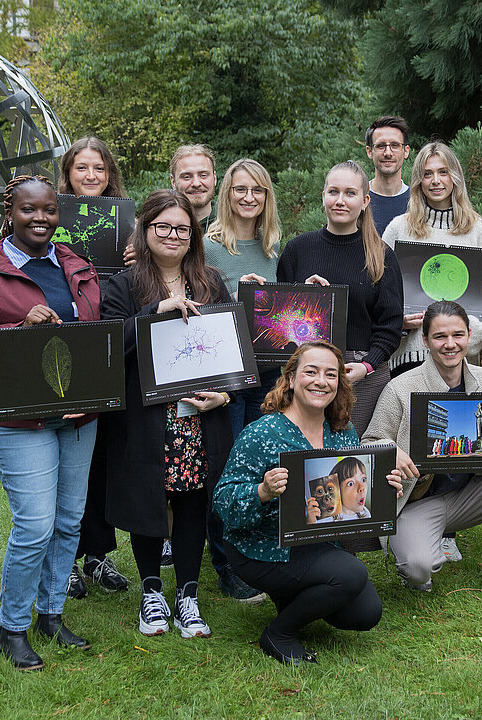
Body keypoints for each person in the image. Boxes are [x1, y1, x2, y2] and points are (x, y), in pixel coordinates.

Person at [0, 175, 100, 671]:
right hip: (20, 421)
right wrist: (17, 330)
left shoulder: (77, 266)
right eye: (29, 210)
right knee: (35, 526)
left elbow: (94, 335)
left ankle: (51, 613)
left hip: (78, 415)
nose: (40, 219)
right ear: (9, 211)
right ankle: (12, 628)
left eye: (49, 211)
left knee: (67, 521)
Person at [213, 341, 404, 665]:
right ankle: (279, 633)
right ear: (290, 379)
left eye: (331, 374)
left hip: (313, 541)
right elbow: (222, 503)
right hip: (261, 545)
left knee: (366, 613)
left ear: (339, 384)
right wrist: (262, 491)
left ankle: (290, 598)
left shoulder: (343, 432)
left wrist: (383, 489)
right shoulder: (262, 433)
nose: (321, 381)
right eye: (311, 372)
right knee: (351, 573)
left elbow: (350, 497)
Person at [100, 189, 234, 638]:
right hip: (146, 417)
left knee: (193, 499)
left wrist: (224, 397)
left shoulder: (211, 281)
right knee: (148, 498)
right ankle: (153, 592)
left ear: (193, 234)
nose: (173, 235)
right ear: (146, 229)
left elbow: (232, 352)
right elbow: (109, 344)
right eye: (163, 227)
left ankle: (189, 595)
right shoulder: (123, 285)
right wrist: (153, 312)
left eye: (182, 228)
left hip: (199, 416)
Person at [363, 301, 482, 605]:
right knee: (418, 569)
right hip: (416, 503)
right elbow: (371, 439)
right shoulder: (400, 387)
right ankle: (420, 547)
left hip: (469, 494)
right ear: (425, 340)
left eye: (458, 335)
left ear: (469, 336)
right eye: (439, 337)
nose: (450, 344)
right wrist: (390, 449)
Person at [202, 158, 285, 603]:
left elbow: (285, 319)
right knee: (226, 469)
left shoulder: (275, 247)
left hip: (268, 377)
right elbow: (199, 313)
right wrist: (239, 297)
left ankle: (257, 557)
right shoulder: (210, 247)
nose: (248, 197)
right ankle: (226, 566)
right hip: (228, 376)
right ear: (226, 195)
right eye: (239, 190)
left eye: (257, 190)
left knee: (260, 468)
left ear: (266, 195)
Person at [276, 160, 404, 436]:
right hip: (306, 372)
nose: (340, 201)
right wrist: (302, 293)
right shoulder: (298, 250)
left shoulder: (381, 256)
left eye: (350, 193)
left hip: (360, 372)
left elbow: (391, 326)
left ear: (365, 200)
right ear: (323, 197)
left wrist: (368, 365)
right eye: (333, 192)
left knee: (357, 457)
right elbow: (279, 323)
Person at [56, 136, 132, 599]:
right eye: (81, 168)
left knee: (103, 457)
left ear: (109, 176)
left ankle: (97, 556)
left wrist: (135, 254)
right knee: (67, 457)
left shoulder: (127, 224)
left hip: (111, 346)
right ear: (66, 174)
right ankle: (61, 560)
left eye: (98, 169)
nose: (90, 176)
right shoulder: (48, 218)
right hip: (66, 343)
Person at [382, 140, 482, 376]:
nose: (435, 181)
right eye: (427, 174)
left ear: (455, 177)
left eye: (443, 172)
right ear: (418, 181)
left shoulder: (477, 229)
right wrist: (400, 323)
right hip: (409, 359)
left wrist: (464, 342)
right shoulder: (398, 229)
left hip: (462, 362)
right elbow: (382, 295)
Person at [365, 116, 412, 235]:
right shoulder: (357, 200)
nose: (388, 153)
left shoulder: (418, 202)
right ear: (369, 151)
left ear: (406, 151)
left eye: (395, 145)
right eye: (381, 146)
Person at [170, 144, 218, 232]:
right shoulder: (161, 226)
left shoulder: (232, 224)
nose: (196, 183)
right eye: (187, 177)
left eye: (203, 175)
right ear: (173, 182)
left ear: (214, 178)